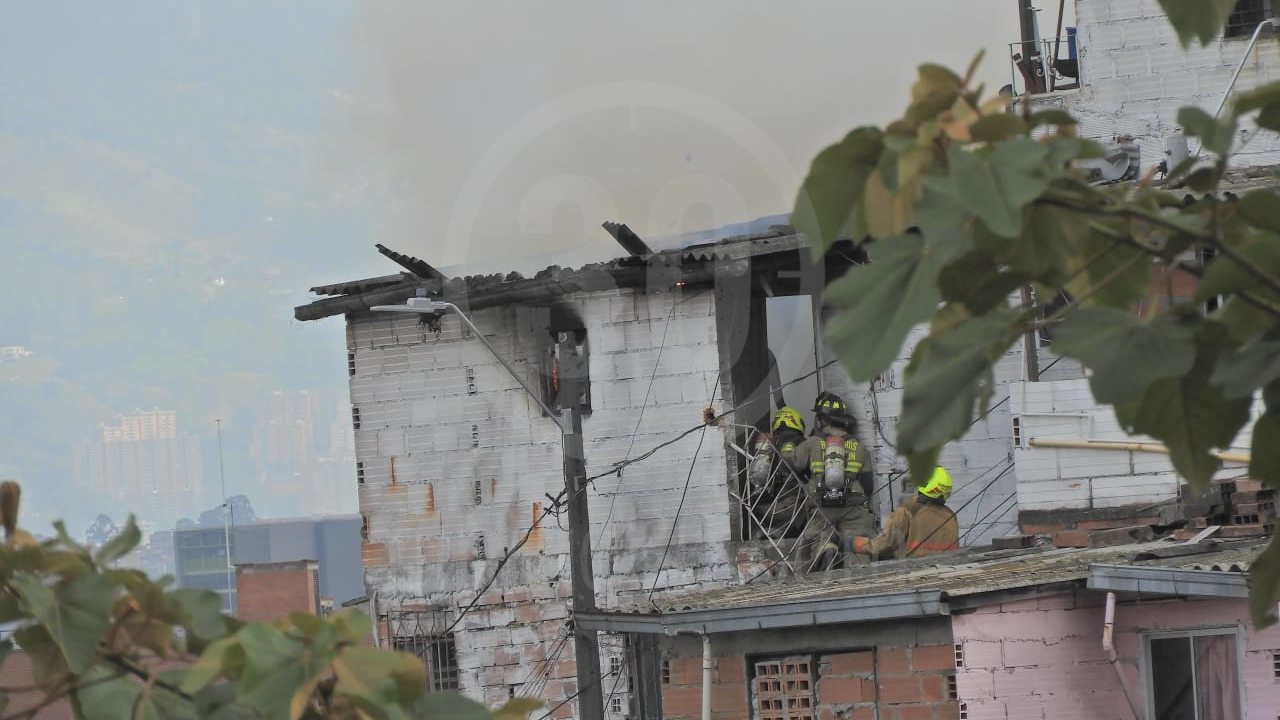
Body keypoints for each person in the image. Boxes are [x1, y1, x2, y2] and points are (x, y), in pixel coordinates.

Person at [794, 391, 874, 571]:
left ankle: (826, 550)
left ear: (821, 420)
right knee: (857, 544)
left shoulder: (812, 443)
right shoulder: (859, 446)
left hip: (822, 505)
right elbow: (868, 484)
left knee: (818, 536)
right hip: (854, 505)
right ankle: (859, 574)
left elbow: (790, 464)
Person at [851, 466, 959, 561]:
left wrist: (853, 543)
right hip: (946, 572)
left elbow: (885, 544)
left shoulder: (907, 510)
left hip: (916, 572)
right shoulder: (950, 515)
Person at [748, 406, 807, 536]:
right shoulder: (803, 444)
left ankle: (769, 533)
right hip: (792, 507)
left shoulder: (769, 445)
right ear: (797, 422)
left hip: (763, 507)